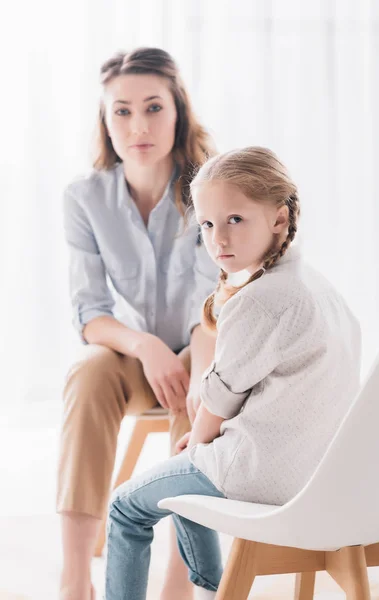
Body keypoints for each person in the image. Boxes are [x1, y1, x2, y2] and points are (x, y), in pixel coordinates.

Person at [104, 146, 362, 600]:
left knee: (125, 508)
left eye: (235, 220)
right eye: (206, 224)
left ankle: (213, 586)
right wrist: (197, 444)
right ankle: (213, 589)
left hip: (262, 472)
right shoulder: (321, 289)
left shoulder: (259, 300)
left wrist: (197, 440)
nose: (217, 239)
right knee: (182, 474)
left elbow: (221, 399)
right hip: (321, 470)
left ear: (279, 219)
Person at [57, 47, 218, 600]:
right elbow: (89, 314)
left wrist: (197, 372)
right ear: (105, 121)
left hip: (206, 341)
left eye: (153, 107)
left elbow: (214, 308)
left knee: (200, 388)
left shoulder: (209, 189)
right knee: (89, 374)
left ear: (178, 110)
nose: (139, 125)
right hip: (133, 353)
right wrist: (145, 345)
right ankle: (76, 575)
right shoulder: (85, 198)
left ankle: (179, 582)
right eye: (121, 111)